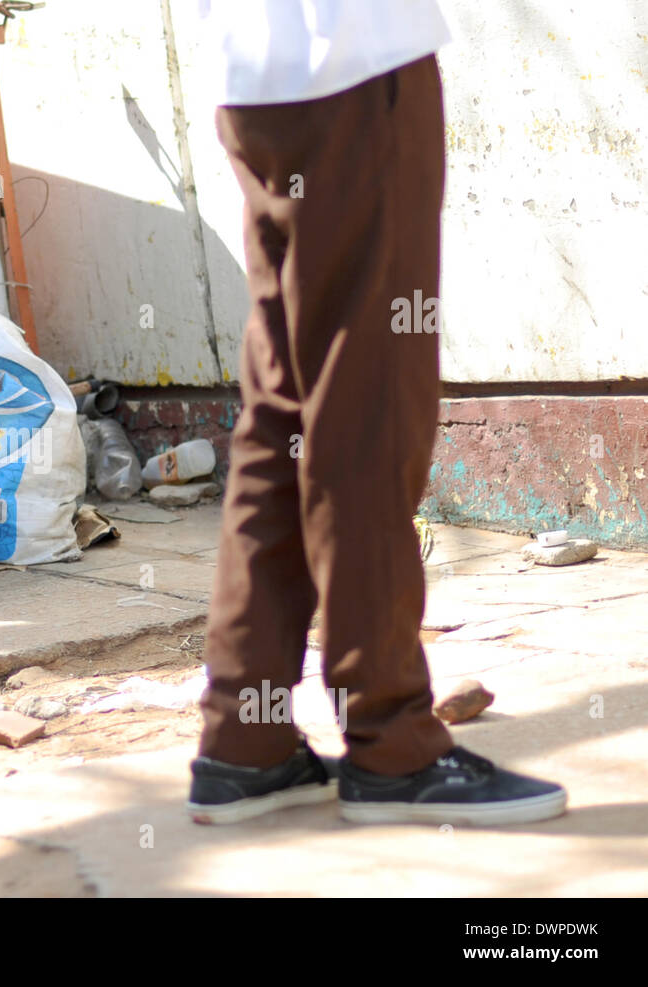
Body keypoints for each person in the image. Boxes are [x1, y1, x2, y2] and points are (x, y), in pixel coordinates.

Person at [188, 2, 567, 825]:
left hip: (254, 76)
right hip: (354, 63)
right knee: (366, 411)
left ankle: (243, 739)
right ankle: (392, 743)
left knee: (282, 411)